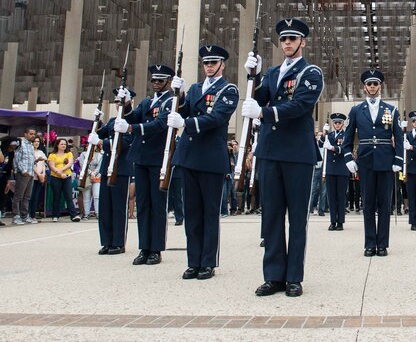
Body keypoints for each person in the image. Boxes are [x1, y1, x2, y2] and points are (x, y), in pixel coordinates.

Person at [242, 18, 323, 297]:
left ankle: (293, 277)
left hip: (297, 154)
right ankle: (274, 275)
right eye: (284, 39)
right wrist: (252, 75)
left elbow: (300, 105)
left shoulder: (311, 73)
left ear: (303, 42)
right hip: (270, 152)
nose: (287, 43)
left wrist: (265, 113)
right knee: (272, 216)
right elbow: (258, 98)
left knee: (297, 217)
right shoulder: (272, 73)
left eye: (293, 39)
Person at [168, 44, 239, 280]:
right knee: (192, 212)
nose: (208, 66)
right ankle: (193, 261)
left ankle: (208, 262)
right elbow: (183, 110)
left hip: (210, 157)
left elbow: (217, 117)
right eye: (206, 63)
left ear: (222, 64)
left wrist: (186, 123)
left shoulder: (228, 89)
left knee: (210, 212)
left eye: (213, 62)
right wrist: (175, 94)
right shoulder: (196, 89)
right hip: (189, 155)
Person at [113, 64, 175, 265]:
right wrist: (126, 105)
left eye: (160, 80)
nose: (155, 84)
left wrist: (131, 127)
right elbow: (134, 116)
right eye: (153, 80)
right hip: (140, 157)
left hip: (157, 157)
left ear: (168, 81)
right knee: (143, 204)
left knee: (157, 204)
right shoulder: (148, 101)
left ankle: (156, 249)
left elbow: (159, 125)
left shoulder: (171, 101)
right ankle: (144, 247)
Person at [342, 68, 403, 258]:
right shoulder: (356, 110)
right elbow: (348, 137)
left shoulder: (391, 109)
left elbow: (399, 138)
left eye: (375, 83)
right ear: (364, 87)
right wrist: (348, 158)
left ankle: (382, 244)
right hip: (366, 160)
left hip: (386, 160)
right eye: (369, 84)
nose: (372, 87)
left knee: (384, 204)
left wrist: (398, 159)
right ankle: (370, 243)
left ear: (380, 86)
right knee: (367, 203)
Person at [91, 92, 136, 254]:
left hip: (121, 169)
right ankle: (107, 241)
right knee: (105, 206)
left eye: (122, 101)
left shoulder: (130, 121)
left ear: (130, 102)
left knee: (118, 207)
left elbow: (125, 143)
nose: (119, 104)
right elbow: (97, 134)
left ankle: (118, 242)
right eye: (117, 101)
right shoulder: (111, 121)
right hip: (106, 168)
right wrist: (95, 122)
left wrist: (103, 143)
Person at [322, 113, 350, 231]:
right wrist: (324, 134)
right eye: (335, 123)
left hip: (341, 169)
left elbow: (345, 148)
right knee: (331, 196)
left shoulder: (346, 135)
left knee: (341, 196)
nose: (337, 125)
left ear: (343, 124)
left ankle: (340, 222)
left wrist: (333, 148)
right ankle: (333, 221)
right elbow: (320, 144)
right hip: (330, 170)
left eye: (339, 123)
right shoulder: (330, 135)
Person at [47, 138, 80, 222]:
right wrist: (59, 173)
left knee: (68, 196)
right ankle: (55, 215)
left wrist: (62, 170)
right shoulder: (52, 155)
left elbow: (70, 163)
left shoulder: (69, 153)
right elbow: (52, 166)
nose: (63, 146)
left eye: (65, 144)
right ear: (57, 145)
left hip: (67, 176)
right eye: (61, 144)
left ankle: (73, 215)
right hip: (55, 176)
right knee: (56, 196)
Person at [11, 127, 36, 225]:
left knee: (27, 196)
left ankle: (24, 215)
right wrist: (23, 170)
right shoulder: (20, 143)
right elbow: (16, 158)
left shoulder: (31, 145)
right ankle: (15, 216)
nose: (33, 136)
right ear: (25, 134)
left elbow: (30, 159)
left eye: (34, 134)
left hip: (31, 173)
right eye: (31, 134)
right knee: (19, 195)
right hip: (23, 173)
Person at [78, 141, 102, 218]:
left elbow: (100, 166)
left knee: (96, 195)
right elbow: (82, 165)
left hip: (97, 176)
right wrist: (90, 173)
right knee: (86, 195)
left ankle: (98, 213)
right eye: (89, 145)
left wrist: (94, 174)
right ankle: (86, 213)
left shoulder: (100, 155)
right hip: (86, 177)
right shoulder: (83, 155)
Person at [29, 135, 47, 220]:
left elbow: (43, 163)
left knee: (36, 196)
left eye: (38, 142)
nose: (36, 143)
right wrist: (38, 174)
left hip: (40, 176)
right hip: (32, 176)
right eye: (35, 141)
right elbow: (31, 165)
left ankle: (33, 215)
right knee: (30, 196)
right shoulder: (29, 152)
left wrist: (42, 174)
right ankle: (28, 214)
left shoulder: (41, 152)